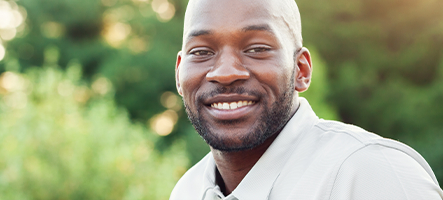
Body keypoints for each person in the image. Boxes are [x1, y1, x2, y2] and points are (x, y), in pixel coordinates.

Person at [171, 0, 443, 199]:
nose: (226, 72)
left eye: (257, 48)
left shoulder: (371, 175)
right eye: (202, 51)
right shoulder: (188, 191)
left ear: (301, 70)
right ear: (179, 73)